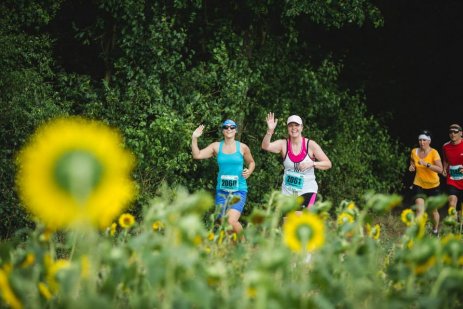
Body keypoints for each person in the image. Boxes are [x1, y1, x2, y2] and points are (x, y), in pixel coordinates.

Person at [191, 119, 255, 234]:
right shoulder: (216, 147)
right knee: (223, 224)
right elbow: (197, 155)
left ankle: (245, 244)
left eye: (232, 127)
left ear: (235, 130)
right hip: (222, 191)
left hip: (238, 190)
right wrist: (194, 138)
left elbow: (251, 162)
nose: (229, 129)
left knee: (231, 221)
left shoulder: (242, 147)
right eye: (226, 127)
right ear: (223, 130)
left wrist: (249, 171)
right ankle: (232, 249)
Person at [261, 112, 331, 209]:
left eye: (296, 125)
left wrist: (312, 163)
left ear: (301, 127)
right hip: (288, 192)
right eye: (290, 125)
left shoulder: (310, 145)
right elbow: (265, 146)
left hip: (307, 189)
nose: (294, 128)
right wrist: (270, 131)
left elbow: (328, 164)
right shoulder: (283, 144)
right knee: (288, 222)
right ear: (287, 128)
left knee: (304, 221)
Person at [408, 130, 443, 235]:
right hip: (419, 184)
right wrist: (412, 166)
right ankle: (419, 233)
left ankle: (435, 231)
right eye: (420, 140)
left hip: (433, 185)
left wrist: (427, 164)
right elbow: (412, 160)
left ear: (429, 141)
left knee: (433, 212)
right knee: (419, 209)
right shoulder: (414, 151)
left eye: (424, 140)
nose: (421, 142)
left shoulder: (434, 153)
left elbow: (440, 169)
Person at [442, 124, 463, 221]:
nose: (453, 134)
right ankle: (453, 227)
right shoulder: (445, 146)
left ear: (461, 133)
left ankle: (460, 227)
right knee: (452, 202)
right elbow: (445, 160)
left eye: (455, 132)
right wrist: (444, 168)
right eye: (451, 132)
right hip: (452, 179)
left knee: (461, 209)